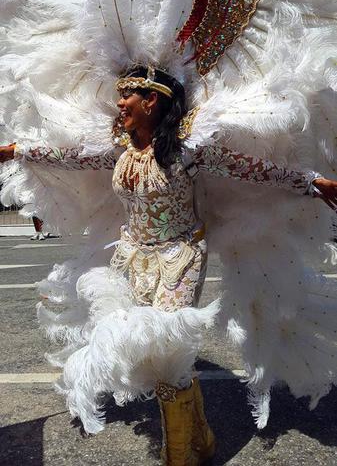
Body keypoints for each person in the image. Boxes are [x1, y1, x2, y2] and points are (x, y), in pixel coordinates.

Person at [2, 65, 337, 465]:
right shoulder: (119, 149)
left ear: (152, 100)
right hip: (132, 257)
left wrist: (310, 182)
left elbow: (252, 169)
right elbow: (70, 157)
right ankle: (202, 438)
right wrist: (17, 151)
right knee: (155, 355)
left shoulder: (188, 150)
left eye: (127, 95)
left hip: (180, 255)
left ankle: (177, 456)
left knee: (169, 349)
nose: (120, 103)